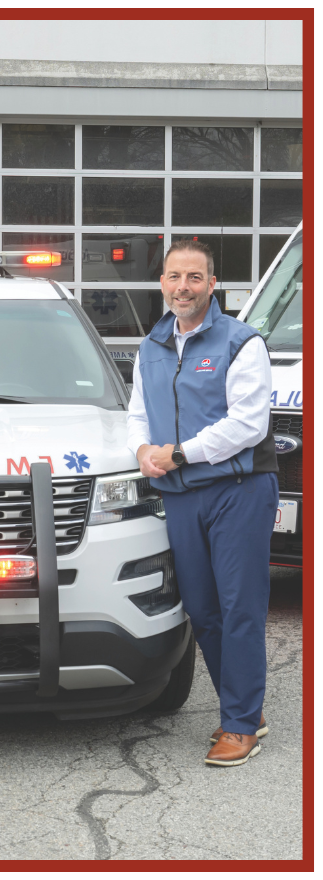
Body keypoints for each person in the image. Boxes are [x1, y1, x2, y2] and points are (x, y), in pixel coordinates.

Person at [127, 239, 278, 767]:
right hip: (181, 496)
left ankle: (239, 724)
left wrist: (180, 453)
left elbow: (248, 425)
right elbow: (136, 416)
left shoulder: (241, 342)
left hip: (237, 492)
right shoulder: (152, 345)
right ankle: (247, 708)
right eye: (174, 277)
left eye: (194, 277)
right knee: (203, 611)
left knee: (240, 608)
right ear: (162, 283)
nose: (183, 287)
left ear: (213, 285)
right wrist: (143, 450)